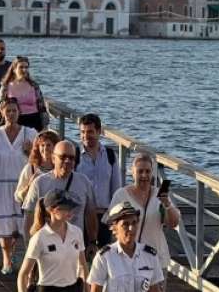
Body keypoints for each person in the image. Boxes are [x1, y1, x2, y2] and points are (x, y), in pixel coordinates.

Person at [105, 152, 180, 281]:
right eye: (140, 171)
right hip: (127, 260)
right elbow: (110, 225)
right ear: (132, 173)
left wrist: (167, 204)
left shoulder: (160, 195)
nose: (144, 175)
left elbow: (173, 223)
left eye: (147, 171)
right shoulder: (121, 195)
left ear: (152, 173)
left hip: (156, 259)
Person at [0, 98, 37, 273]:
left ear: (19, 112)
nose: (11, 114)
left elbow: (39, 159)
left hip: (23, 185)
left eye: (14, 110)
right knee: (5, 226)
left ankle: (23, 258)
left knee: (22, 225)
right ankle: (7, 260)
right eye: (8, 111)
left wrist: (30, 151)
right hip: (1, 184)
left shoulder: (29, 134)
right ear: (1, 112)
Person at [23, 141, 97, 251]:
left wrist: (92, 242)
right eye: (63, 157)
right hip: (48, 249)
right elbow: (29, 217)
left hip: (75, 247)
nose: (67, 161)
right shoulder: (40, 183)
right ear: (53, 158)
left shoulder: (84, 182)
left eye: (71, 158)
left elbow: (90, 214)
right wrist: (29, 248)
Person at [16, 189, 89, 292]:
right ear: (52, 210)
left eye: (71, 207)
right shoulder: (39, 238)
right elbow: (23, 274)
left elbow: (82, 265)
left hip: (73, 288)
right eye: (65, 208)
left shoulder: (77, 232)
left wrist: (87, 289)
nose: (70, 211)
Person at [87, 201, 164, 292]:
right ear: (114, 228)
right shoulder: (104, 257)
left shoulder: (150, 256)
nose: (131, 228)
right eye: (125, 224)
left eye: (134, 223)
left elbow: (155, 289)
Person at [76, 114, 122, 248]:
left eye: (90, 131)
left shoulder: (110, 155)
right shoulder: (76, 155)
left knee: (103, 255)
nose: (85, 136)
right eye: (82, 132)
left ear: (99, 131)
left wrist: (114, 218)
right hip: (82, 215)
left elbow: (116, 189)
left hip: (104, 217)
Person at [0, 56, 46, 132]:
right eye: (21, 67)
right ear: (14, 69)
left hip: (33, 121)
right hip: (14, 121)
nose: (24, 70)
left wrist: (45, 126)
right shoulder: (6, 86)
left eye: (26, 67)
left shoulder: (34, 85)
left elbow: (42, 108)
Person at [15, 130, 59, 209]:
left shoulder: (59, 169)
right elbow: (18, 197)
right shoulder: (30, 168)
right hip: (33, 214)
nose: (45, 148)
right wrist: (29, 186)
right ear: (37, 148)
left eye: (48, 145)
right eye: (42, 145)